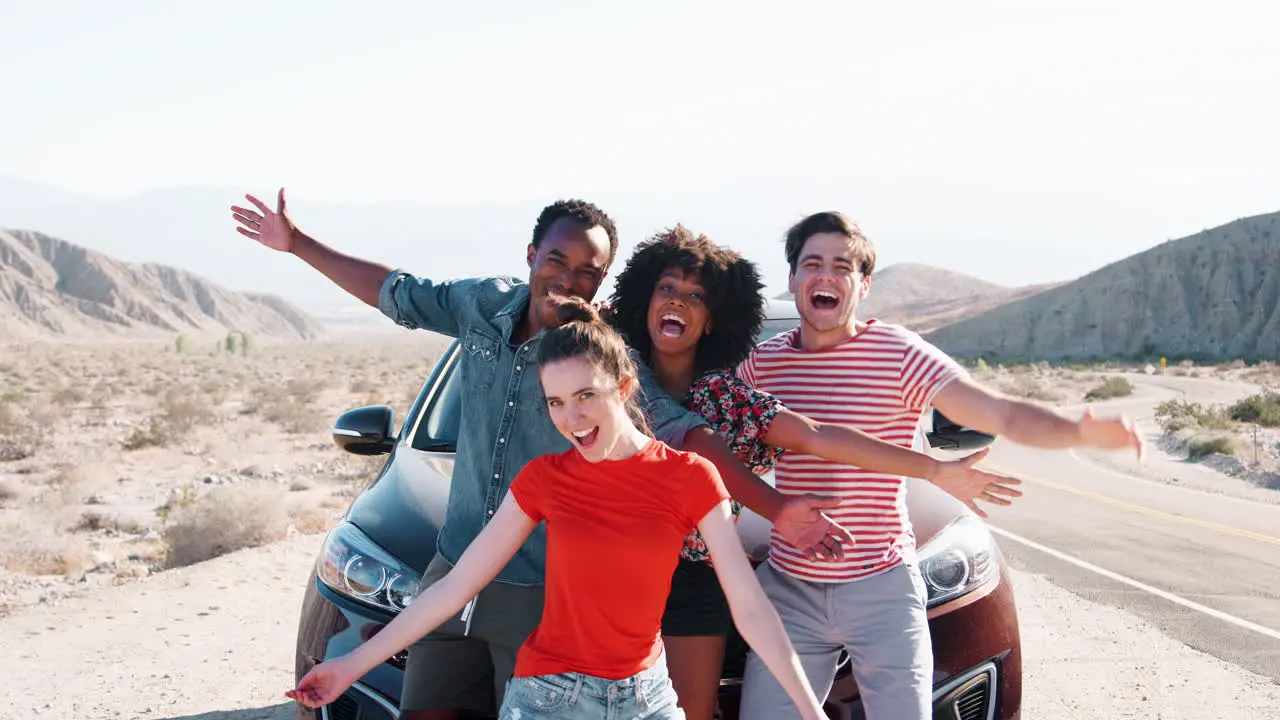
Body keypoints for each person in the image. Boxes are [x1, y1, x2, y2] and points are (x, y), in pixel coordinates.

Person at [229, 190, 853, 719]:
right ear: (532, 256)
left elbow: (689, 438)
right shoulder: (483, 318)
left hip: (550, 600)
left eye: (589, 270)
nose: (569, 276)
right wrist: (298, 243)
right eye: (557, 258)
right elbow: (397, 291)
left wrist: (776, 507)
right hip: (461, 572)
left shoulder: (614, 377)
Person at [286, 299, 830, 720]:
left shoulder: (688, 477)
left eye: (586, 396)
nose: (572, 418)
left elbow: (750, 607)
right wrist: (350, 665)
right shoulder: (545, 479)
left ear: (624, 386)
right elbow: (456, 587)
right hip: (550, 697)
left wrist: (811, 711)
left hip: (648, 697)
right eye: (556, 402)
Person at [734, 211, 1145, 719]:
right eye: (811, 263)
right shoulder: (762, 365)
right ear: (793, 278)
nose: (825, 275)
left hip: (881, 589)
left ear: (863, 283)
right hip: (789, 591)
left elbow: (996, 410)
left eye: (842, 266)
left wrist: (1078, 430)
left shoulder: (901, 354)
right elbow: (711, 436)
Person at [607, 226, 1023, 720]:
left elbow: (814, 434)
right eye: (667, 289)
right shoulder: (605, 378)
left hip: (707, 582)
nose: (678, 302)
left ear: (714, 318)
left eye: (696, 295)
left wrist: (933, 469)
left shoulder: (727, 395)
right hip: (611, 574)